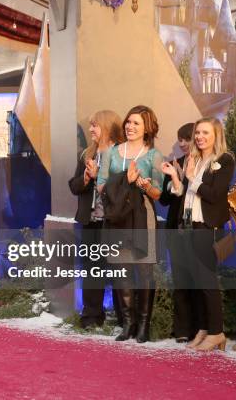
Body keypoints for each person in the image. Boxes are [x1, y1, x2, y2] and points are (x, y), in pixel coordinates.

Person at [161, 117, 234, 351]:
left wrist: (192, 178)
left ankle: (216, 332)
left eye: (205, 133)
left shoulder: (224, 160)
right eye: (198, 133)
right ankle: (204, 328)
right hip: (189, 227)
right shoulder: (194, 159)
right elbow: (184, 194)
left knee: (207, 282)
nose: (200, 137)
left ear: (216, 135)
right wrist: (176, 178)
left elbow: (214, 195)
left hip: (208, 229)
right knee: (196, 282)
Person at [97, 105, 164, 343]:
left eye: (136, 123)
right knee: (120, 269)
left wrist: (144, 184)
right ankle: (127, 324)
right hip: (117, 216)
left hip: (142, 216)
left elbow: (158, 193)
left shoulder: (154, 156)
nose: (130, 126)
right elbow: (101, 185)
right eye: (128, 122)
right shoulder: (111, 153)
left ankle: (143, 325)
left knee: (144, 270)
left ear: (147, 128)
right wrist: (126, 180)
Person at [68, 110, 124, 328]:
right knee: (92, 269)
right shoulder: (86, 155)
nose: (90, 129)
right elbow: (73, 186)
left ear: (108, 127)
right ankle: (92, 315)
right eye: (90, 125)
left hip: (113, 222)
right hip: (90, 221)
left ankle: (124, 317)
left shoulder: (121, 155)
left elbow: (123, 189)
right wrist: (85, 178)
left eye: (95, 125)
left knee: (119, 270)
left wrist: (99, 175)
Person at [159, 122, 197, 343]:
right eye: (180, 139)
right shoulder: (175, 163)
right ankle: (182, 329)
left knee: (198, 281)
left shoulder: (206, 166)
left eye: (187, 139)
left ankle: (202, 328)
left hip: (198, 230)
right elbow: (164, 200)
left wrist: (186, 178)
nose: (183, 143)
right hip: (176, 229)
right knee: (180, 280)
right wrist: (173, 178)